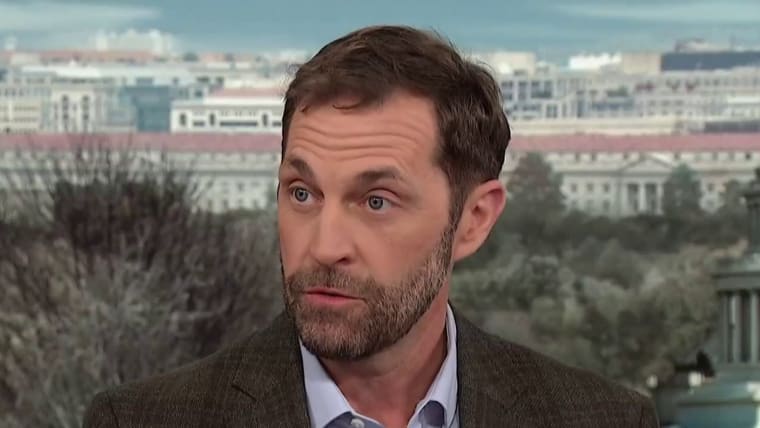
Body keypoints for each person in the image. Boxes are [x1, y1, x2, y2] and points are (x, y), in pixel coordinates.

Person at [84, 25, 659, 427]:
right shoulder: (140, 421)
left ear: (473, 221)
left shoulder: (603, 419)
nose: (325, 246)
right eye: (303, 193)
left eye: (376, 201)